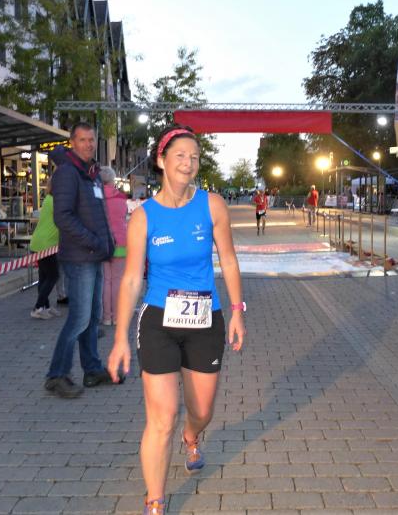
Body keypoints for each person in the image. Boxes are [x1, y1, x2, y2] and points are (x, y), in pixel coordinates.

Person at [107, 125, 246, 515]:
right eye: (180, 155)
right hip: (159, 322)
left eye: (194, 157)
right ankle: (155, 499)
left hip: (205, 320)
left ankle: (192, 435)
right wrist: (119, 338)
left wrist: (237, 311)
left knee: (202, 411)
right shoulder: (143, 217)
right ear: (162, 160)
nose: (188, 163)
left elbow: (229, 260)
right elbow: (131, 279)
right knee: (162, 417)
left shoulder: (212, 205)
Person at [45, 122, 118, 399]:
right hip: (80, 257)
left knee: (93, 317)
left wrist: (106, 242)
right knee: (79, 319)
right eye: (83, 140)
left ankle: (92, 369)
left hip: (94, 255)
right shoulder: (67, 172)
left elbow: (97, 215)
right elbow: (62, 217)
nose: (88, 144)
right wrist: (94, 241)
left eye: (91, 139)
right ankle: (56, 375)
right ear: (72, 143)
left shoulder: (91, 173)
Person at [100, 166, 128, 326]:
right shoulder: (121, 197)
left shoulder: (96, 197)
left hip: (103, 243)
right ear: (112, 180)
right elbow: (124, 216)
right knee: (117, 280)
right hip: (121, 242)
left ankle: (106, 317)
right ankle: (117, 317)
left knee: (106, 281)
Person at [29, 178, 61, 320]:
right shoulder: (56, 202)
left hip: (39, 242)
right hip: (47, 244)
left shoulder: (49, 199)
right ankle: (38, 307)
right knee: (53, 275)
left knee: (44, 277)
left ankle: (45, 306)